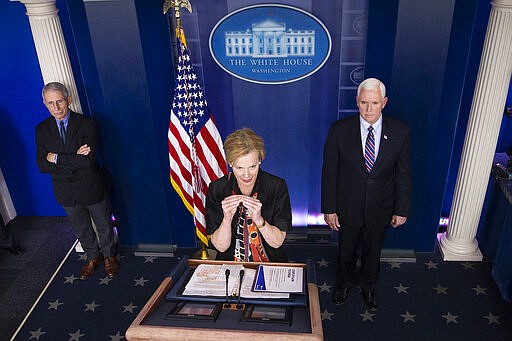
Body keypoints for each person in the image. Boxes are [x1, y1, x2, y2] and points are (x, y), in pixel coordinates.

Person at [321, 77, 411, 311]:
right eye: (364, 103)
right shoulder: (339, 130)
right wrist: (329, 208)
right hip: (346, 206)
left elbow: (403, 174)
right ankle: (345, 283)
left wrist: (401, 210)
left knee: (373, 251)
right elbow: (329, 172)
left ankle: (369, 286)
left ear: (384, 102)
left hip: (381, 206)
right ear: (357, 102)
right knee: (346, 249)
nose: (369, 109)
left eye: (374, 103)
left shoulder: (400, 132)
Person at [36, 82, 118, 280]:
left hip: (90, 186)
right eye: (50, 103)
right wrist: (74, 157)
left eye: (59, 101)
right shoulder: (42, 129)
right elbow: (41, 165)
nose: (56, 107)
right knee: (81, 227)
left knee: (103, 224)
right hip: (65, 191)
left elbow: (87, 161)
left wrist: (55, 157)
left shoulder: (87, 124)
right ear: (45, 104)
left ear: (68, 100)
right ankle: (92, 257)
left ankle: (109, 257)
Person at [206, 128, 292, 262]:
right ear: (231, 164)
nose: (247, 175)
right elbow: (221, 247)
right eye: (239, 168)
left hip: (270, 261)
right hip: (230, 262)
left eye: (252, 167)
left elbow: (277, 242)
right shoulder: (217, 189)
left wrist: (260, 221)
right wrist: (227, 219)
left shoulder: (277, 186)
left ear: (259, 161)